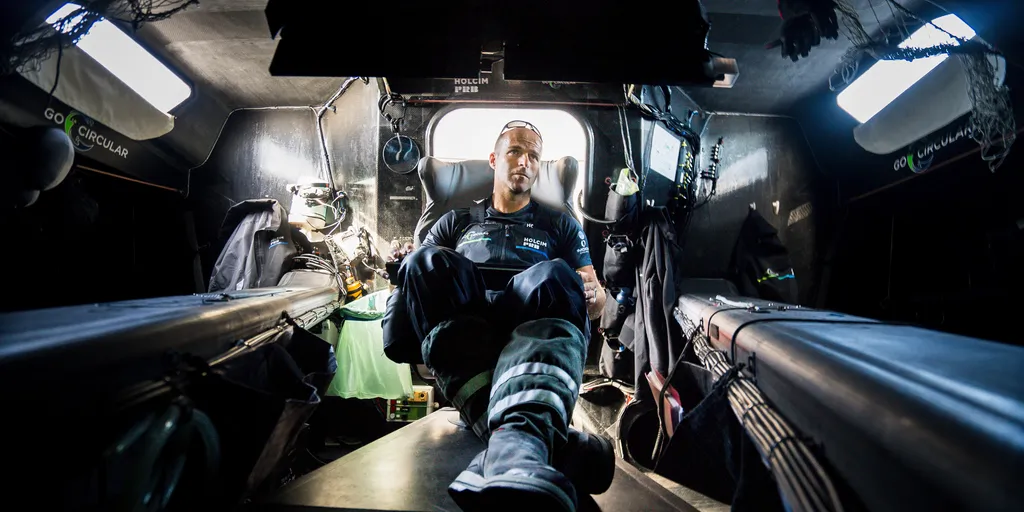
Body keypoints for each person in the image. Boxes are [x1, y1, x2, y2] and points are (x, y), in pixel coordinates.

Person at [382, 120, 613, 512]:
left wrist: (592, 293)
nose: (525, 161)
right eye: (515, 151)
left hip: (529, 324)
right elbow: (421, 276)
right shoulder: (456, 221)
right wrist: (400, 264)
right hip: (468, 326)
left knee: (553, 276)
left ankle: (507, 438)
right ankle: (527, 443)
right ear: (494, 159)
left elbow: (595, 301)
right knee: (425, 260)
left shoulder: (560, 224)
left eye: (534, 156)